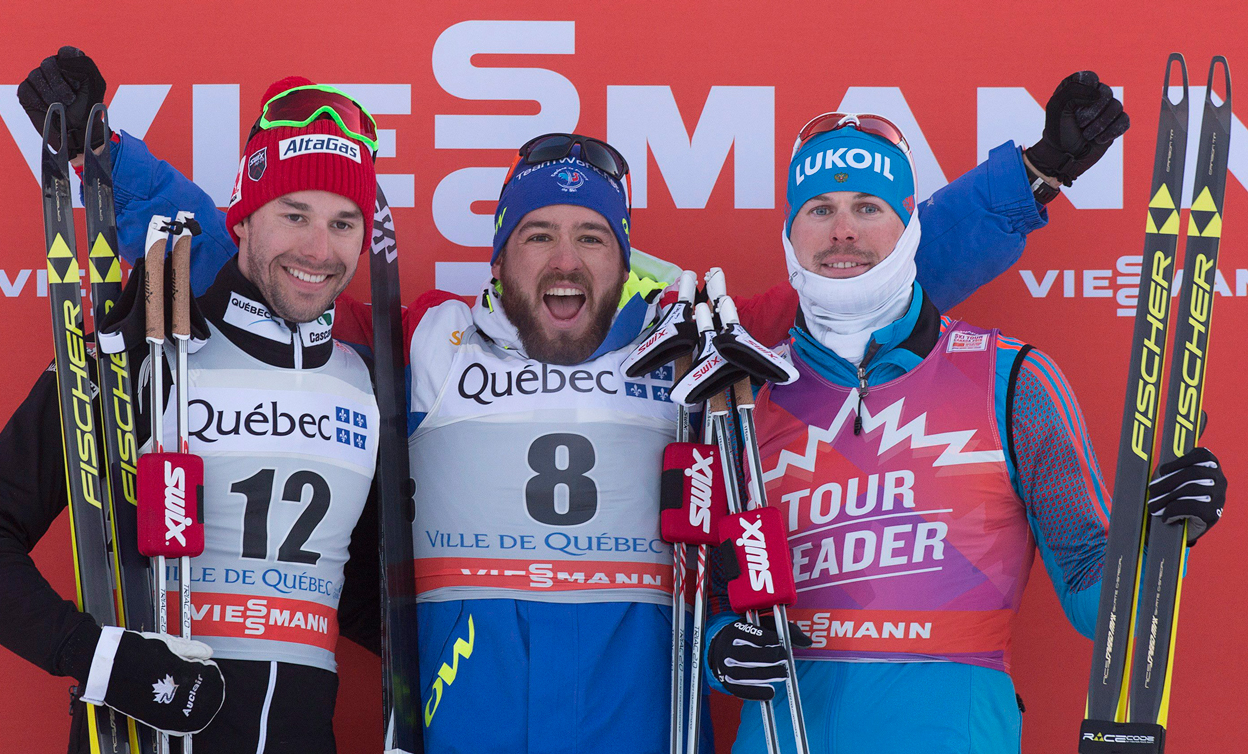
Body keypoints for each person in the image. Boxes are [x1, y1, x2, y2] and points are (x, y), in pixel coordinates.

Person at [62, 50, 1106, 751]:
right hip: (461, 719)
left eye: (590, 236)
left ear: (621, 257)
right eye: (536, 234)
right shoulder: (425, 332)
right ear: (498, 251)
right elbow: (251, 259)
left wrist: (1032, 176)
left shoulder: (682, 343)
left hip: (638, 723)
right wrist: (104, 164)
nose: (563, 259)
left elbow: (856, 272)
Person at [702, 106, 1229, 754]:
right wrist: (714, 647)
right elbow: (710, 594)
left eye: (869, 207)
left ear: (910, 226)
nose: (843, 231)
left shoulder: (1012, 382)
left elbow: (1100, 603)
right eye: (819, 209)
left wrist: (1162, 531)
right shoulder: (742, 401)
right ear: (790, 233)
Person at [0, 57, 385, 753]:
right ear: (244, 218)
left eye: (344, 222)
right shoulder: (138, 352)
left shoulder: (365, 382)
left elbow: (366, 601)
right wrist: (101, 660)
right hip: (146, 737)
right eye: (294, 215)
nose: (318, 249)